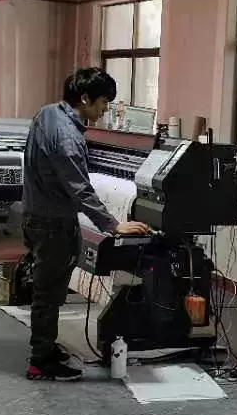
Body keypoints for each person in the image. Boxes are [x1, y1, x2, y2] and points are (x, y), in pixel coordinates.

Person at [21, 67, 148, 381]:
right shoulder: (68, 137)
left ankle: (46, 346)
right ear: (85, 98)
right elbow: (80, 189)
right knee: (49, 293)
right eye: (103, 102)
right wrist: (113, 225)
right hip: (53, 224)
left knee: (48, 290)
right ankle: (41, 361)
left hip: (36, 215)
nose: (105, 109)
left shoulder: (47, 113)